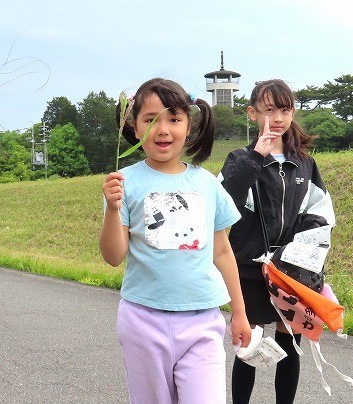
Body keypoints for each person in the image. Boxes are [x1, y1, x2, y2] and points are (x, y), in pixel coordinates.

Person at [99, 77, 251, 404]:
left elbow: (223, 252)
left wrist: (239, 312)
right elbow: (113, 256)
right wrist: (112, 208)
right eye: (150, 119)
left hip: (202, 320)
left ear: (188, 125)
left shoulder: (207, 183)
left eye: (173, 119)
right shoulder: (124, 183)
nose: (163, 129)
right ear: (135, 127)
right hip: (142, 320)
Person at [218, 79, 335, 404]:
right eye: (269, 110)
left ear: (293, 112)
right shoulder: (239, 159)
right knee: (249, 347)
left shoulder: (305, 163)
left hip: (291, 273)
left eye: (285, 109)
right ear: (252, 113)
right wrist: (257, 156)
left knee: (290, 345)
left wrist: (293, 255)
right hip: (249, 271)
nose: (278, 117)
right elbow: (224, 206)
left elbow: (320, 214)